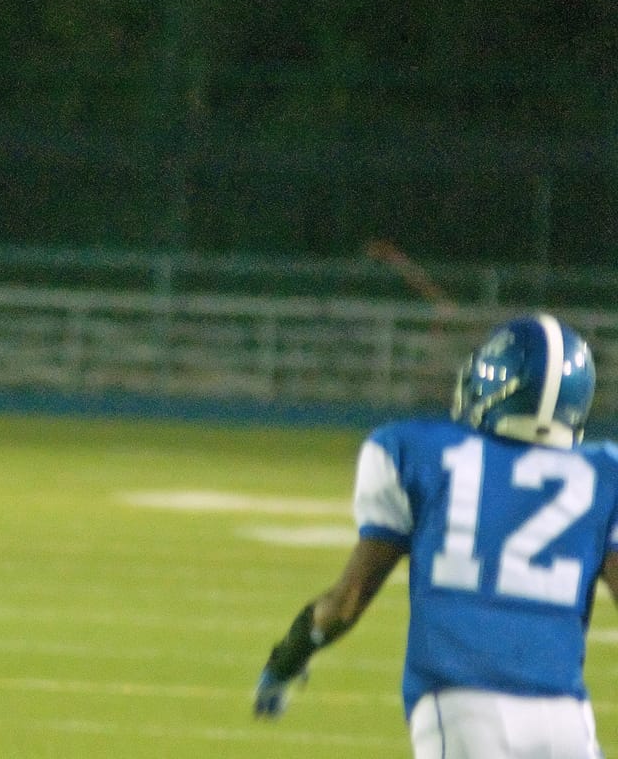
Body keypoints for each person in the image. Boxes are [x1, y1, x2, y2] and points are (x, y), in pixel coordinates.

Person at [253, 313, 618, 758]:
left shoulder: (418, 451)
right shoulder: (604, 474)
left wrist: (288, 659)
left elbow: (347, 602)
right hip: (565, 720)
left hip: (460, 708)